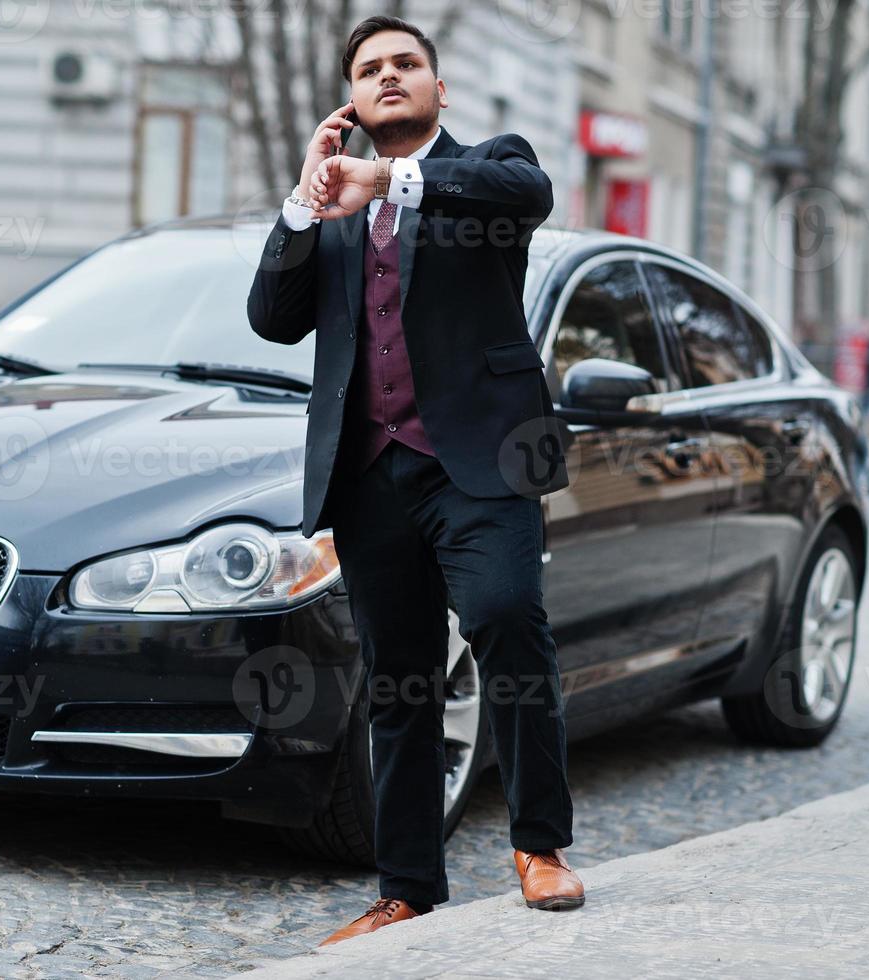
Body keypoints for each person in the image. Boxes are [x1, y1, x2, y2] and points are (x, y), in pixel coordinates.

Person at [247, 15, 583, 946]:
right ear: (349, 102)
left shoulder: (489, 169)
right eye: (368, 70)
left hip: (480, 464)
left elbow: (529, 193)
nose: (388, 76)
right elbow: (272, 320)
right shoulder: (335, 210)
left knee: (507, 621)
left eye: (406, 64)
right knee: (397, 680)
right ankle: (405, 888)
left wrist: (388, 178)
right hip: (368, 474)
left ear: (439, 89)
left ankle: (540, 847)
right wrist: (304, 203)